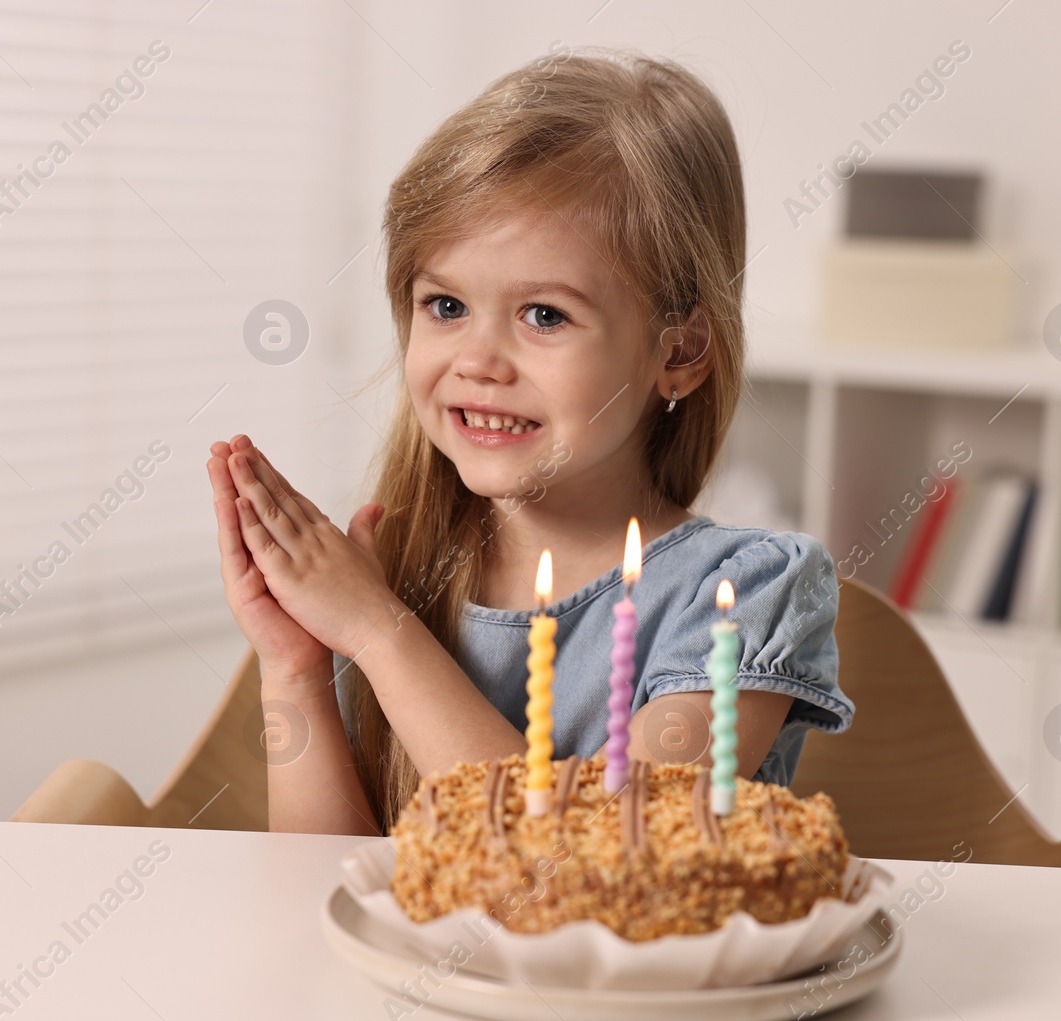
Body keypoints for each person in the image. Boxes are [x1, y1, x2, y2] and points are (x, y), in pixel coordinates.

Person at [208, 47, 852, 835]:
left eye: (544, 315)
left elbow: (598, 855)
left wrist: (379, 633)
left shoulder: (738, 596)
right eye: (444, 306)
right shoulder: (388, 569)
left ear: (678, 353)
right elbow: (326, 889)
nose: (477, 362)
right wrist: (297, 664)